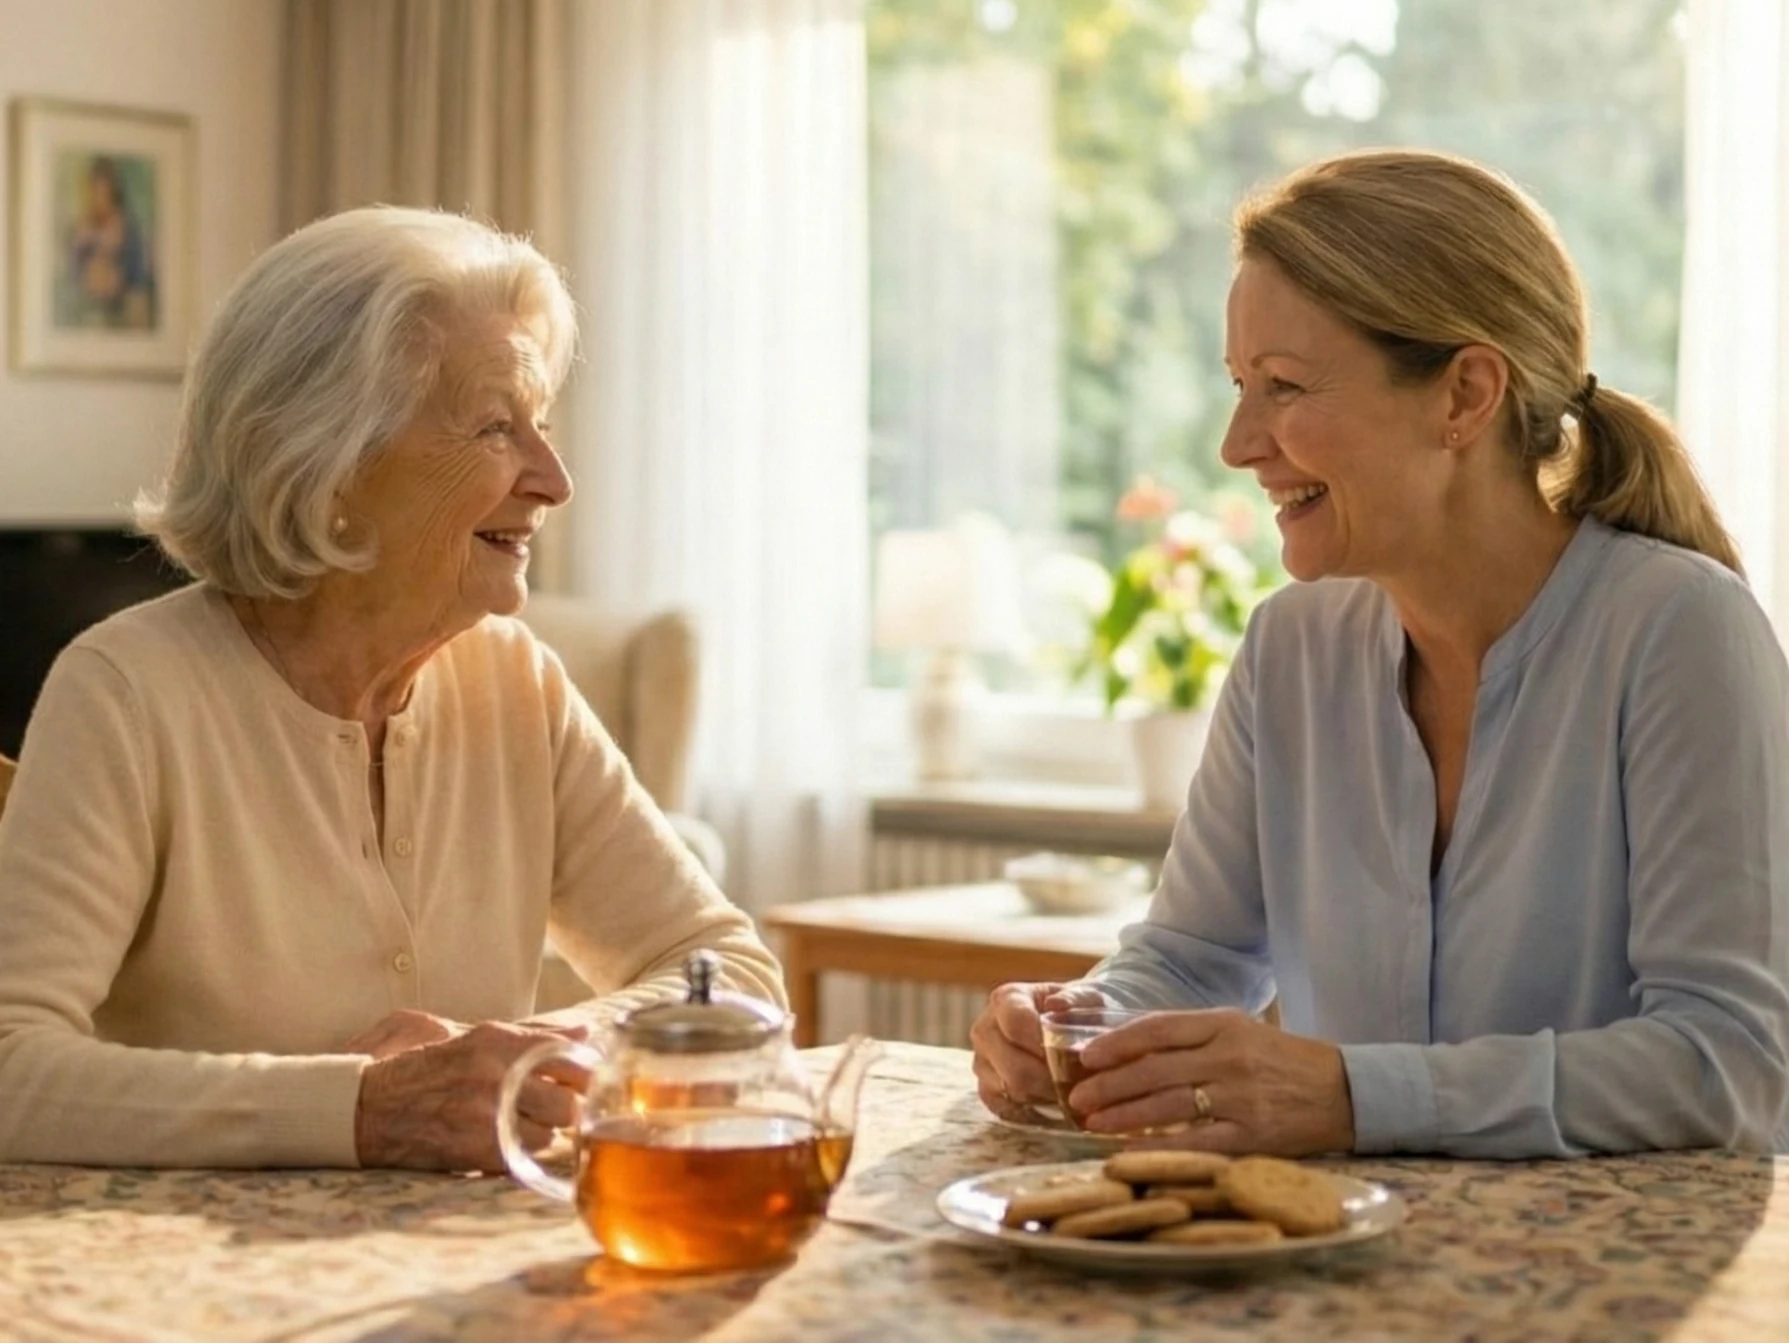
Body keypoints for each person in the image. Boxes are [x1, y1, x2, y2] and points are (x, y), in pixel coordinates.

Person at [972, 149, 1789, 1160]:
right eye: (1238, 383)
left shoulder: (1678, 632)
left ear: (1464, 395)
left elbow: (1726, 1064)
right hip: (1345, 1272)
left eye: (1282, 386)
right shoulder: (1290, 646)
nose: (1235, 441)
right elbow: (1193, 956)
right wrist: (1079, 1022)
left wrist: (1355, 1094)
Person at [0, 207, 784, 1171]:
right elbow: (12, 1066)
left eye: (539, 425)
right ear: (327, 461)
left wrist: (550, 1053)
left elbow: (731, 973)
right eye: (497, 427)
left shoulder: (515, 681)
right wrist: (360, 1108)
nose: (553, 478)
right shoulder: (127, 693)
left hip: (458, 1265)